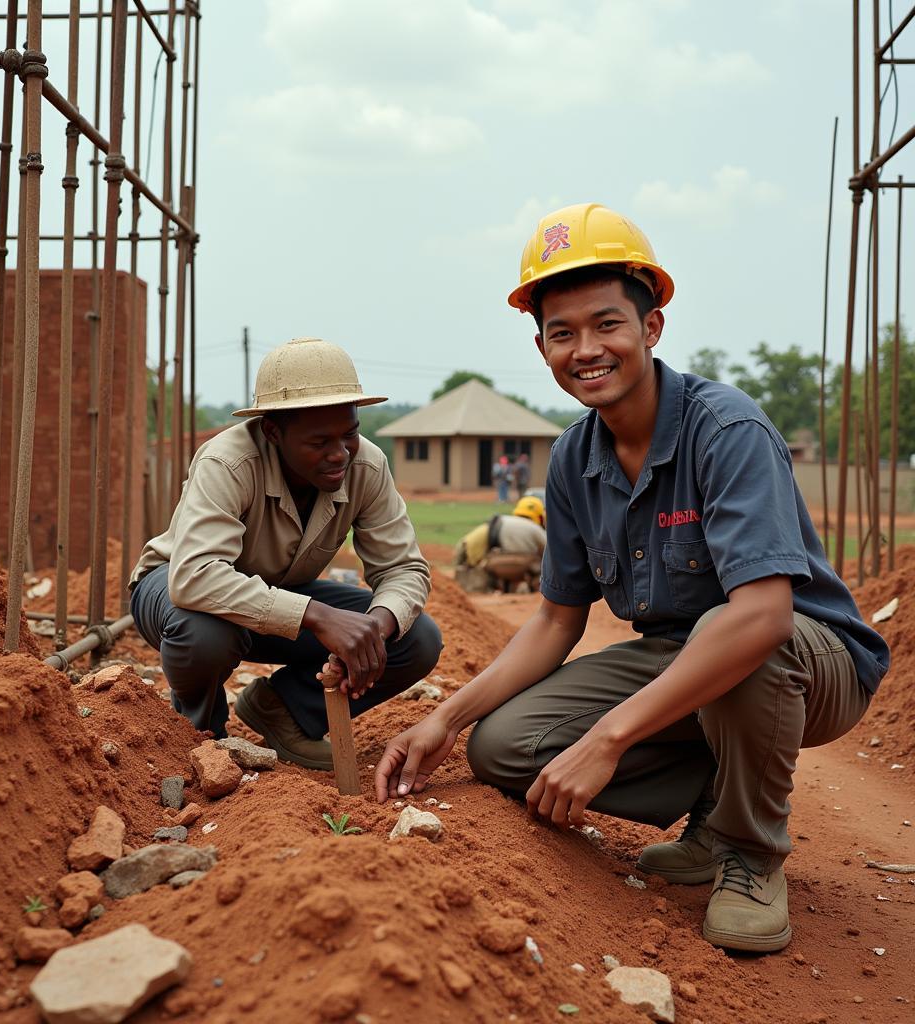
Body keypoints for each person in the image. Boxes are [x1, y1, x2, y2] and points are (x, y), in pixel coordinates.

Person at [375, 203, 889, 954]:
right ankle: (716, 805)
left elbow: (765, 617)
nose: (587, 349)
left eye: (607, 324)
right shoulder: (572, 462)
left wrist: (609, 739)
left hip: (809, 662)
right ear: (542, 344)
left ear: (651, 327)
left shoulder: (727, 430)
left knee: (730, 632)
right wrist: (445, 719)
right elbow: (555, 621)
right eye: (562, 333)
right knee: (505, 747)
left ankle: (750, 851)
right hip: (689, 660)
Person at [130, 337, 443, 770]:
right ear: (273, 431)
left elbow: (404, 568)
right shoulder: (227, 462)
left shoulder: (366, 466)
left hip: (278, 596)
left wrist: (375, 626)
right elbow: (196, 576)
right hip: (174, 592)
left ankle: (285, 710)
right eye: (319, 442)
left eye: (349, 434)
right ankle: (201, 735)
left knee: (416, 638)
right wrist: (319, 616)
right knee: (205, 630)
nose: (339, 454)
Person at [453, 496, 547, 594]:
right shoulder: (536, 528)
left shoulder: (502, 521)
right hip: (524, 567)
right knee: (543, 564)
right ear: (540, 517)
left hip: (497, 565)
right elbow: (549, 550)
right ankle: (537, 592)